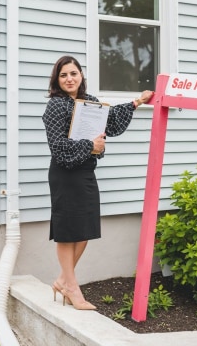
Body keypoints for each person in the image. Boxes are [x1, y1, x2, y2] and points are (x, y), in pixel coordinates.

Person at [42, 55, 153, 310]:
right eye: (63, 75)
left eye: (73, 73)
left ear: (81, 75)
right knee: (67, 231)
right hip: (64, 174)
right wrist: (90, 145)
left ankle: (61, 280)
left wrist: (137, 102)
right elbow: (57, 147)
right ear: (57, 80)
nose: (69, 78)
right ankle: (72, 287)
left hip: (85, 172)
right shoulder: (56, 106)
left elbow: (111, 121)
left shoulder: (90, 103)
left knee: (85, 230)